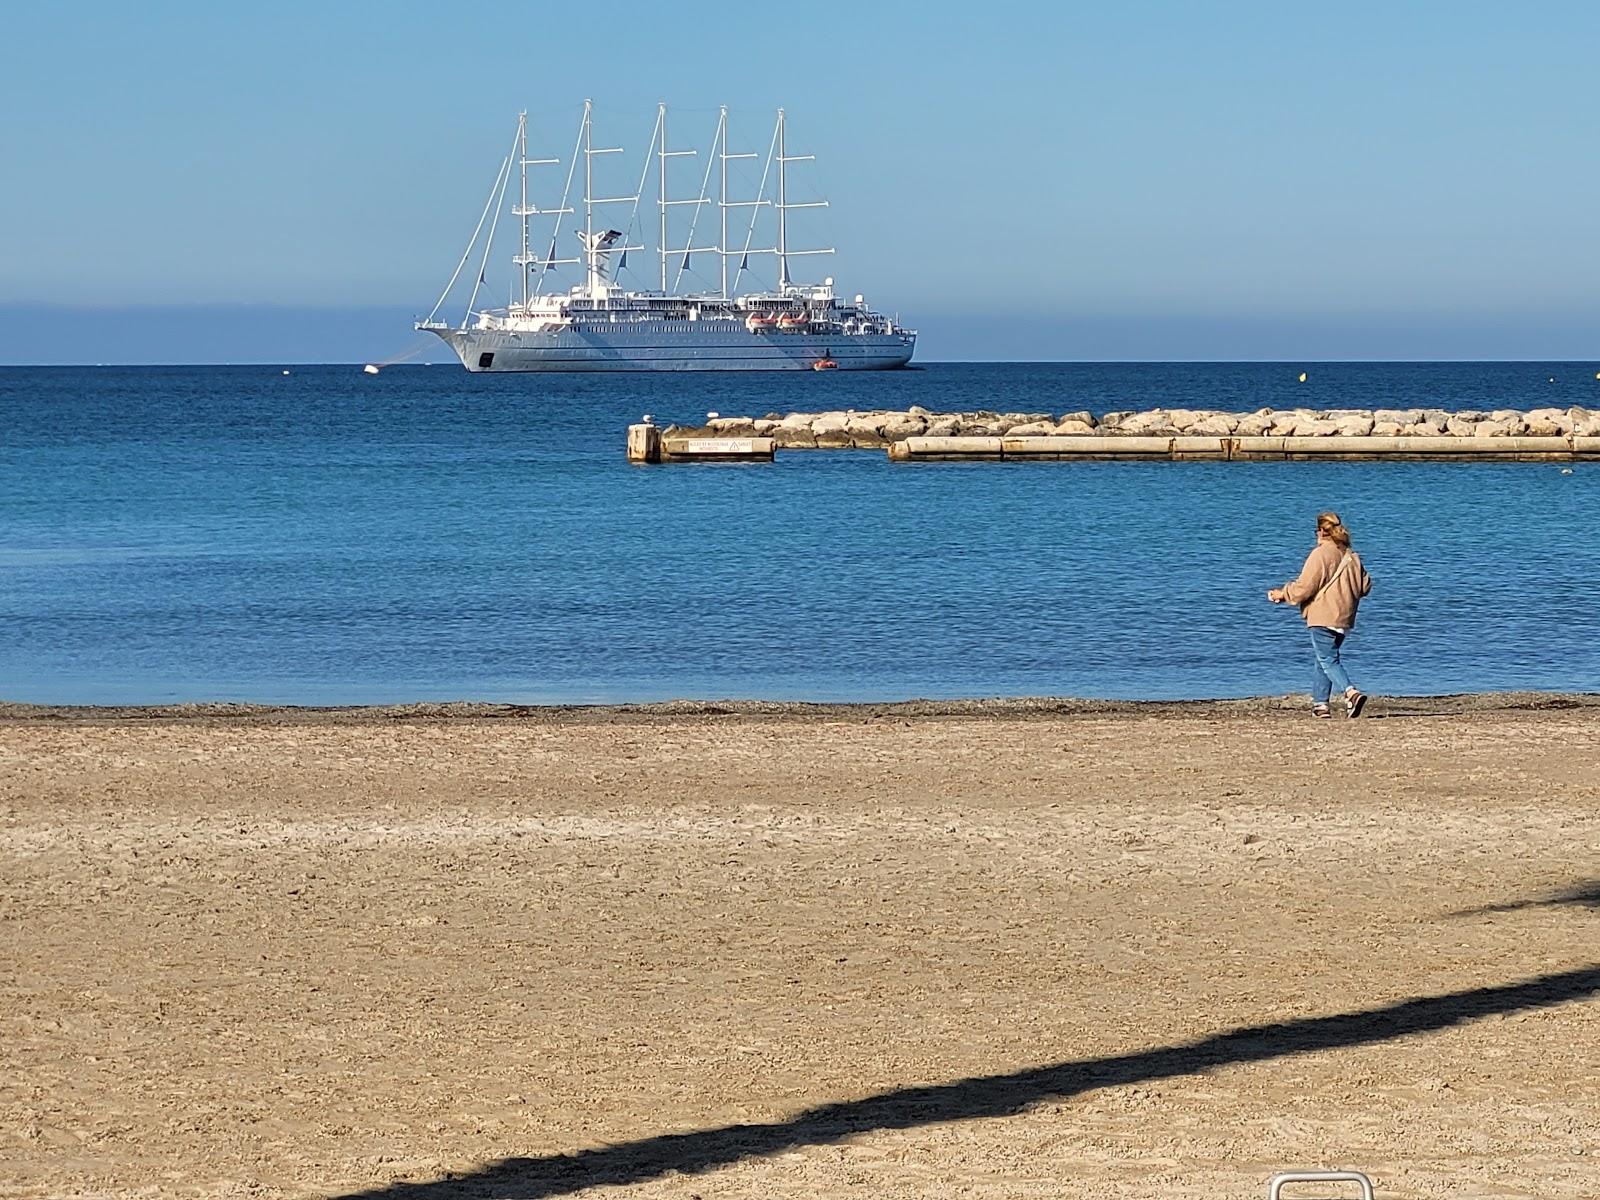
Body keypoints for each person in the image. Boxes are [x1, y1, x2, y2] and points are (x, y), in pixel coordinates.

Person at [1267, 511, 1373, 718]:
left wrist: (1282, 594)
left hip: (1323, 614)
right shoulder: (1351, 556)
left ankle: (1351, 692)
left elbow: (1305, 587)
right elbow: (1366, 586)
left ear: (1321, 532)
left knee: (1327, 658)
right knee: (1323, 658)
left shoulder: (1320, 554)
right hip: (1345, 616)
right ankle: (1321, 705)